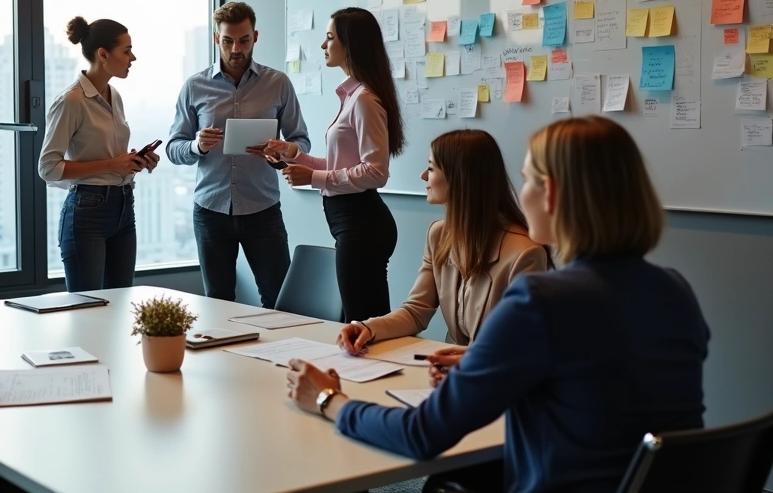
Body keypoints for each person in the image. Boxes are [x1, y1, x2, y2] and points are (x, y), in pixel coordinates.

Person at [285, 116, 710, 493]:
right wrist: (489, 359)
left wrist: (327, 398)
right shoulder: (676, 291)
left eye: (527, 181)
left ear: (551, 194)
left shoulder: (541, 301)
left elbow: (422, 434)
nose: (520, 195)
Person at [336, 130, 549, 375]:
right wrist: (367, 328)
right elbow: (416, 311)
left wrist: (468, 363)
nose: (423, 175)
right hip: (454, 372)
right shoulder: (438, 234)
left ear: (460, 177)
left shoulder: (525, 253)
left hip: (495, 376)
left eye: (431, 168)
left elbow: (523, 346)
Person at [166, 1, 310, 308]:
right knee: (218, 303)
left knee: (279, 301)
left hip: (263, 209)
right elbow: (173, 149)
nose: (236, 49)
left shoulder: (278, 83)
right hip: (210, 211)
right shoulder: (194, 86)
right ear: (216, 38)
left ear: (255, 37)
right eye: (228, 40)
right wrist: (196, 146)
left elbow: (301, 142)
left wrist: (281, 152)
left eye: (244, 40)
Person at [266, 7, 404, 322]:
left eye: (329, 38)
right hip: (352, 222)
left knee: (361, 322)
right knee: (364, 322)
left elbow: (375, 172)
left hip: (362, 222)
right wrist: (292, 155)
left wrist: (314, 177)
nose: (322, 45)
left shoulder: (364, 100)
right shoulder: (351, 96)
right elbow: (341, 163)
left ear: (350, 44)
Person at [38, 16, 159, 291]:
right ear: (103, 55)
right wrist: (111, 165)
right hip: (88, 212)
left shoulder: (114, 95)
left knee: (120, 303)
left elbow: (110, 156)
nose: (133, 58)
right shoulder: (71, 101)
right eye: (126, 51)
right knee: (87, 307)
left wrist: (134, 161)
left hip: (124, 207)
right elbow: (48, 168)